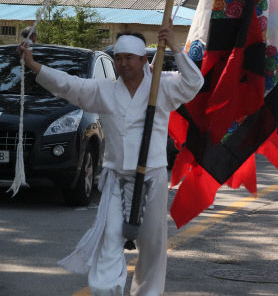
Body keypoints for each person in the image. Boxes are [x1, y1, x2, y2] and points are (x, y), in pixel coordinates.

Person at [19, 23, 203, 296]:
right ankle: (106, 290)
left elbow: (194, 82)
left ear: (143, 60)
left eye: (129, 58)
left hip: (152, 176)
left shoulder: (161, 87)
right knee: (109, 240)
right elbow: (70, 85)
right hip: (115, 177)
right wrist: (34, 66)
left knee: (152, 245)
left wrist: (175, 45)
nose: (123, 63)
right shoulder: (104, 90)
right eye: (118, 58)